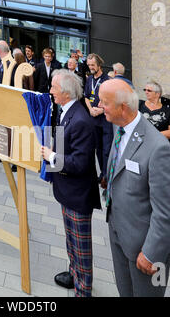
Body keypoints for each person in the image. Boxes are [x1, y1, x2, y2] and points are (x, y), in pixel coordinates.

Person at [98, 78, 170, 297]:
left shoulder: (158, 148)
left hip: (144, 250)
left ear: (123, 107)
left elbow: (165, 211)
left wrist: (151, 253)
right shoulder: (118, 126)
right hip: (119, 233)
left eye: (104, 102)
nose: (100, 107)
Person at [41, 69, 100, 297]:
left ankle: (83, 290)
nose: (51, 91)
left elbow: (81, 164)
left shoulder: (81, 120)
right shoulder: (66, 110)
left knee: (81, 247)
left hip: (78, 196)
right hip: (67, 191)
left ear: (65, 92)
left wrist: (51, 157)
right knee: (71, 241)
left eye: (54, 88)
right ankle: (74, 274)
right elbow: (64, 144)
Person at [84, 53, 112, 189]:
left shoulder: (107, 80)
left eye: (93, 65)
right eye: (89, 65)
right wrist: (90, 109)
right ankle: (102, 174)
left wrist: (101, 110)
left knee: (106, 149)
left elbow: (112, 100)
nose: (90, 67)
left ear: (99, 65)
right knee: (98, 149)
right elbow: (86, 96)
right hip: (93, 119)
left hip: (105, 119)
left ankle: (107, 177)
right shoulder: (89, 79)